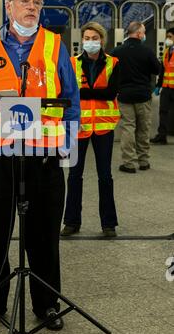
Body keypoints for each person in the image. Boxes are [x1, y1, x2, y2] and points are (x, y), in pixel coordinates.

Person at [0, 0, 80, 330]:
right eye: (25, 1)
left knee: (44, 237)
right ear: (8, 6)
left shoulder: (55, 46)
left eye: (37, 3)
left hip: (43, 157)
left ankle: (47, 305)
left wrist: (67, 147)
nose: (32, 8)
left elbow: (70, 100)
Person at [60, 22, 120, 238]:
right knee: (74, 175)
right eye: (87, 37)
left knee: (105, 176)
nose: (90, 41)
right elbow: (67, 93)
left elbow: (111, 93)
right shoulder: (71, 63)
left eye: (94, 37)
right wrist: (94, 92)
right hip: (78, 127)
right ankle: (71, 222)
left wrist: (83, 92)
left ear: (102, 40)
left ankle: (109, 224)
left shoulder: (114, 63)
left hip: (104, 128)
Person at [111, 21, 160, 173]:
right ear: (139, 34)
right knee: (143, 128)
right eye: (143, 32)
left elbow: (110, 72)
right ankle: (144, 161)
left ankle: (129, 164)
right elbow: (157, 70)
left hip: (124, 96)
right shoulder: (147, 51)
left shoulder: (117, 51)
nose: (144, 35)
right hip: (143, 96)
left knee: (128, 128)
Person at [150, 27, 174, 145]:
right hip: (167, 88)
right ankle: (162, 136)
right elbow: (163, 70)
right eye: (167, 37)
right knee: (163, 111)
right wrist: (158, 85)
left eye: (170, 37)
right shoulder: (166, 51)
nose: (167, 40)